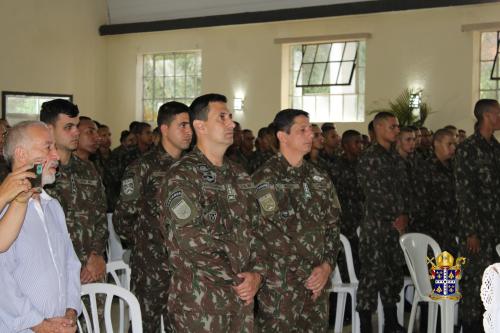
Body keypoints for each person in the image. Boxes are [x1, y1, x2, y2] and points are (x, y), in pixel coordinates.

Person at [159, 93, 265, 332]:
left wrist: (257, 275)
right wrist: (239, 278)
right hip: (200, 304)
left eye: (230, 117)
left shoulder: (239, 175)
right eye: (222, 117)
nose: (232, 124)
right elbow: (188, 238)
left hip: (241, 301)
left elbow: (259, 230)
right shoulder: (182, 176)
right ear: (200, 126)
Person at [253, 109, 340, 332]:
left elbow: (332, 226)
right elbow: (269, 233)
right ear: (283, 136)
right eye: (302, 130)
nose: (310, 134)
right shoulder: (265, 179)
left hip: (317, 285)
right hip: (282, 287)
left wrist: (326, 266)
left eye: (310, 129)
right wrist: (308, 273)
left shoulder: (319, 177)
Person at [114, 101, 193, 332]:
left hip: (186, 266)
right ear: (165, 129)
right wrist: (148, 243)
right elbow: (122, 219)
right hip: (152, 266)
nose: (189, 131)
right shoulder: (143, 167)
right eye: (182, 125)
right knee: (143, 324)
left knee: (180, 324)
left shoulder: (192, 167)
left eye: (190, 125)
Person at [0, 121, 81, 332]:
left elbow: (70, 263)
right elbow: (3, 282)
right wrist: (39, 324)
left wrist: (71, 309)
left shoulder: (52, 206)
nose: (56, 155)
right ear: (21, 155)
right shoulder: (4, 207)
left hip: (60, 323)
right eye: (48, 147)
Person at [40, 101, 108, 284]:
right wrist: (68, 267)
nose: (76, 132)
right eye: (68, 127)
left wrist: (96, 255)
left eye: (76, 126)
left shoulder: (88, 169)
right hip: (54, 274)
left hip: (91, 270)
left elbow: (101, 216)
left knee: (96, 313)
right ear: (49, 130)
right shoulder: (37, 174)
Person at [357, 112, 409, 333]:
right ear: (378, 128)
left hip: (395, 229)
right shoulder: (369, 157)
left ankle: (390, 323)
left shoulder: (396, 158)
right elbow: (373, 193)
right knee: (371, 277)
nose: (397, 130)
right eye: (393, 127)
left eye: (397, 127)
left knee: (392, 276)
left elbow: (405, 192)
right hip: (377, 228)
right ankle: (366, 326)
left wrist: (405, 215)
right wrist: (395, 216)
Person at [454, 99, 500, 332]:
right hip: (476, 231)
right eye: (498, 112)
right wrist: (471, 231)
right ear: (488, 116)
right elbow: (464, 193)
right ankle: (471, 328)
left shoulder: (496, 148)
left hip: (495, 229)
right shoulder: (468, 149)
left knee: (494, 285)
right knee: (474, 284)